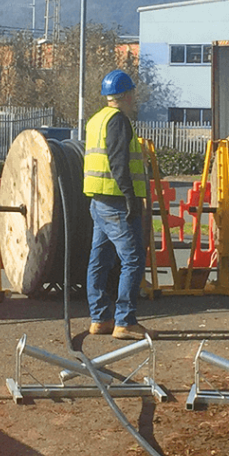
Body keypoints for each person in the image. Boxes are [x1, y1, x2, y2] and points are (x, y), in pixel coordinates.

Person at [83, 69, 148, 339]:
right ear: (128, 94)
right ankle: (125, 321)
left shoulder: (96, 120)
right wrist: (131, 197)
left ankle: (100, 319)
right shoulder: (119, 121)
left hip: (97, 200)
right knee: (133, 260)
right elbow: (119, 161)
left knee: (100, 259)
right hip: (117, 202)